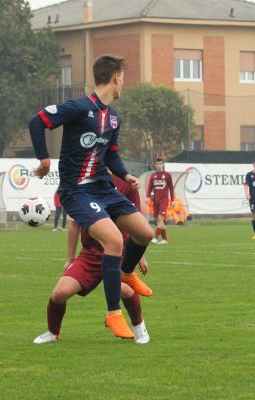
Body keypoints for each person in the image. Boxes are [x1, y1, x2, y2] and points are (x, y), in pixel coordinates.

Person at [29, 54, 154, 339]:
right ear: (115, 78)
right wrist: (44, 160)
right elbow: (37, 122)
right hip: (76, 191)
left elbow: (112, 155)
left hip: (103, 189)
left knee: (144, 234)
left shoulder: (113, 117)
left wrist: (125, 176)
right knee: (112, 240)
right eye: (123, 77)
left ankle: (125, 273)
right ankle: (113, 314)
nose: (124, 83)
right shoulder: (78, 108)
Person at [34, 174, 150, 345]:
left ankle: (139, 326)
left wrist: (139, 255)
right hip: (91, 255)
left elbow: (135, 222)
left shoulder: (126, 183)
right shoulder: (81, 180)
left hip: (120, 251)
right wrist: (70, 258)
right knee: (59, 294)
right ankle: (52, 332)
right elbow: (74, 224)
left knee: (125, 290)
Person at [147, 158, 175, 244]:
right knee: (160, 221)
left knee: (160, 218)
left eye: (160, 163)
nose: (159, 165)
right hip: (156, 200)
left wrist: (172, 200)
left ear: (163, 165)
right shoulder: (153, 176)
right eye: (157, 164)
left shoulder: (167, 175)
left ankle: (155, 237)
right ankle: (165, 239)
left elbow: (171, 188)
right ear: (155, 165)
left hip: (164, 200)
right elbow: (150, 188)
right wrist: (147, 197)